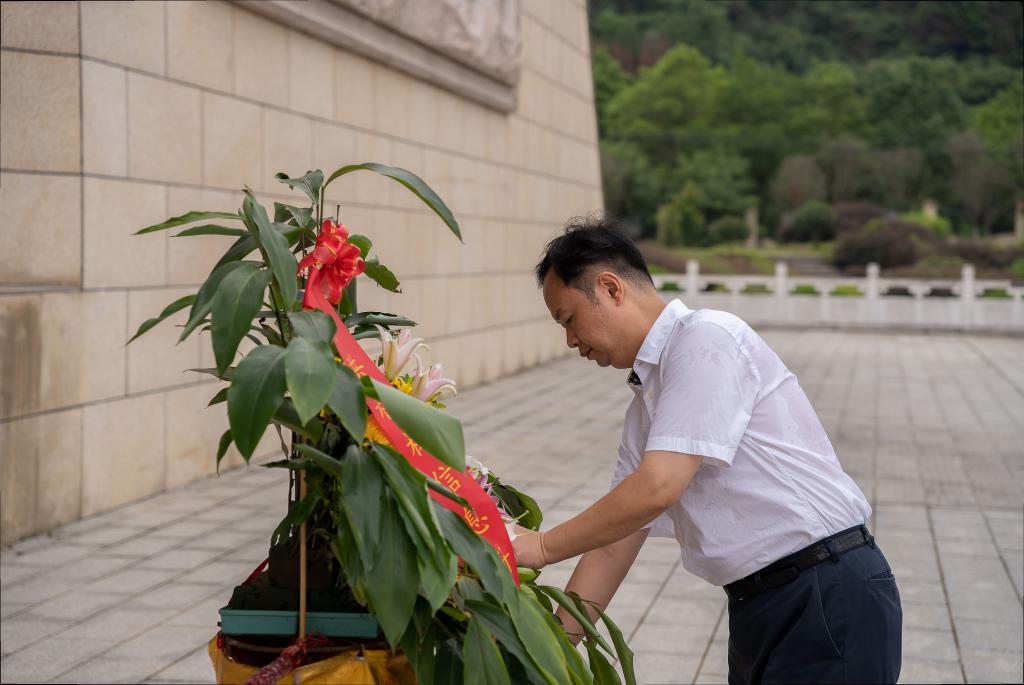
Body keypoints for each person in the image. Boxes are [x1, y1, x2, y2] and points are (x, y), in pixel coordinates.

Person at [512, 216, 902, 684]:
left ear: (611, 288)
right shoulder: (647, 404)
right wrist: (547, 652)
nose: (570, 341)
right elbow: (615, 544)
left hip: (825, 590)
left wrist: (539, 547)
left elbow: (658, 487)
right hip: (761, 605)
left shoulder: (705, 339)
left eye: (569, 319)